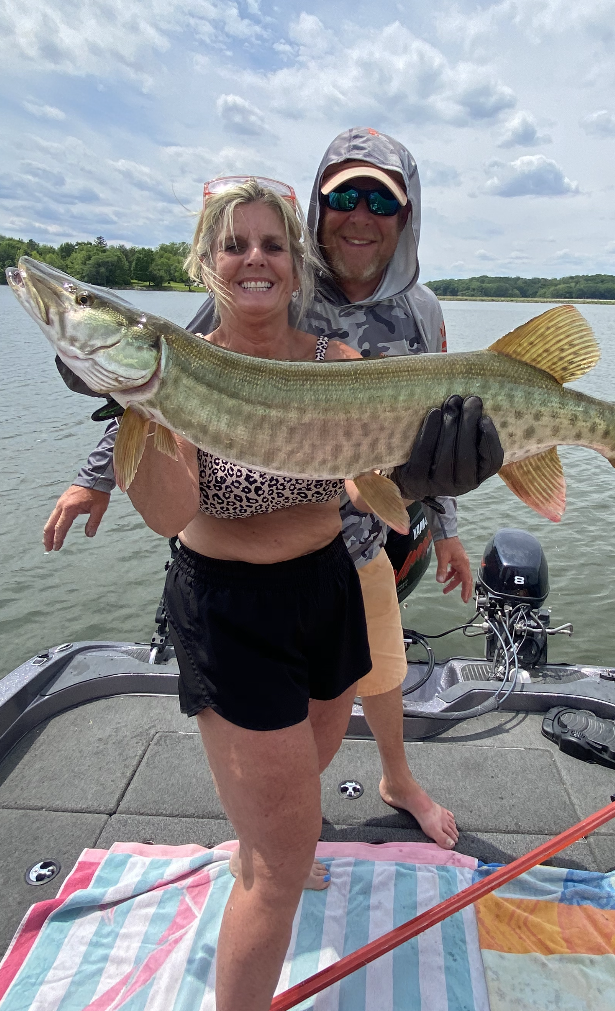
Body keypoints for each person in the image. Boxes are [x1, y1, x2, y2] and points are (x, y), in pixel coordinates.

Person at [45, 129, 504, 850]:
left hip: (357, 541)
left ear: (406, 217)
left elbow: (441, 429)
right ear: (319, 212)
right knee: (283, 775)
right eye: (344, 197)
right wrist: (94, 474)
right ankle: (279, 829)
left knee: (382, 673)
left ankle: (392, 782)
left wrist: (442, 520)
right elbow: (163, 379)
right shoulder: (260, 282)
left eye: (381, 200)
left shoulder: (421, 313)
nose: (361, 214)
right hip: (240, 570)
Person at [125, 177, 375, 1010]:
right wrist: (140, 405)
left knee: (309, 765)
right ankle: (263, 865)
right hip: (229, 610)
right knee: (280, 867)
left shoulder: (337, 364)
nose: (254, 259)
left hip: (326, 590)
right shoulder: (181, 367)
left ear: (296, 265)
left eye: (272, 244)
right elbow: (168, 513)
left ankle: (257, 841)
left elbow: (365, 483)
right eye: (234, 245)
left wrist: (435, 470)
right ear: (207, 263)